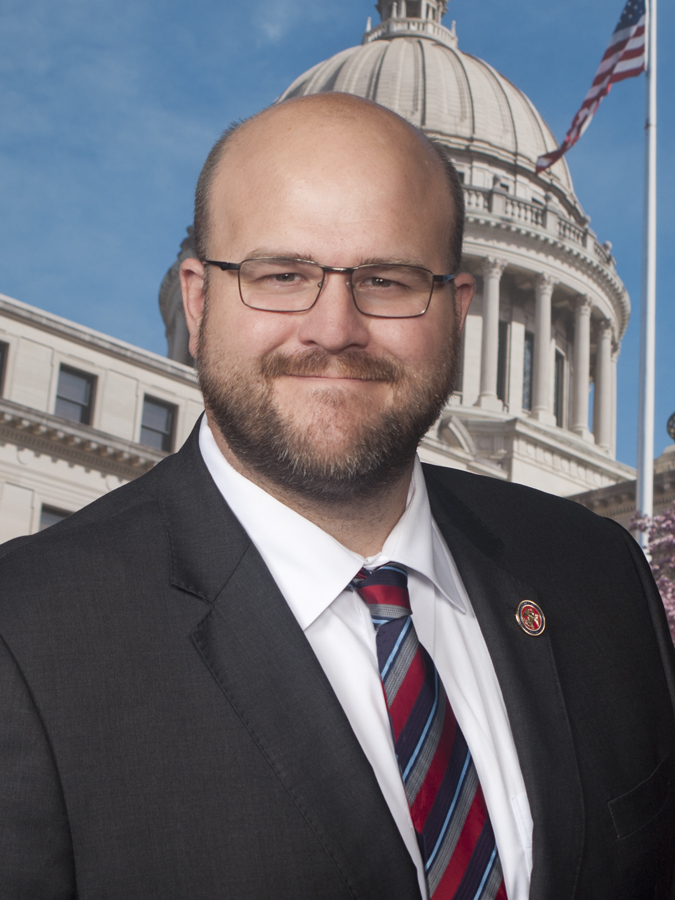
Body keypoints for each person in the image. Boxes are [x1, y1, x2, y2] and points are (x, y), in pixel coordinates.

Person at [0, 93, 673, 900]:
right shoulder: (28, 633)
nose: (332, 329)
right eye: (281, 275)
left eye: (386, 281)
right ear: (198, 297)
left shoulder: (596, 575)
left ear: (458, 310)